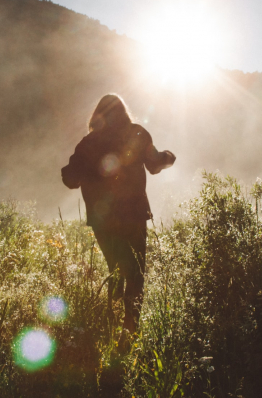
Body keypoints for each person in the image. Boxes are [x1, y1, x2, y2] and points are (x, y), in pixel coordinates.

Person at [61, 94, 175, 344]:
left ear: (97, 115)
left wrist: (80, 170)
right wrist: (169, 156)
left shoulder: (88, 143)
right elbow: (155, 165)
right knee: (135, 273)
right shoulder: (137, 133)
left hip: (103, 219)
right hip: (133, 214)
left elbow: (70, 179)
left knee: (116, 267)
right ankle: (129, 332)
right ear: (123, 112)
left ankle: (111, 326)